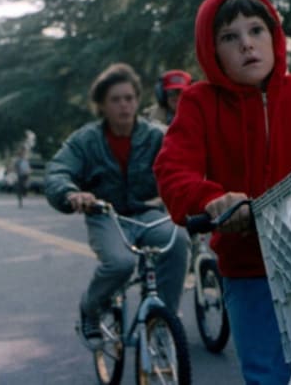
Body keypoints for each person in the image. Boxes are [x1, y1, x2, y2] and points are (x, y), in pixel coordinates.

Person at [153, 0, 291, 385]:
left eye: (256, 30)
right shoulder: (200, 102)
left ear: (275, 37)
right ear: (212, 51)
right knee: (268, 377)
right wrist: (213, 200)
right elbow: (172, 170)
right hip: (251, 265)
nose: (246, 44)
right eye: (229, 37)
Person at [45, 62, 189, 343]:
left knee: (177, 241)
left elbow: (186, 163)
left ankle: (163, 320)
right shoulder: (86, 140)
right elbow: (58, 172)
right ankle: (90, 307)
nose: (124, 105)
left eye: (129, 98)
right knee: (121, 263)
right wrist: (71, 193)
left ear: (137, 100)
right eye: (115, 99)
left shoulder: (157, 136)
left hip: (147, 212)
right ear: (101, 105)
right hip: (106, 214)